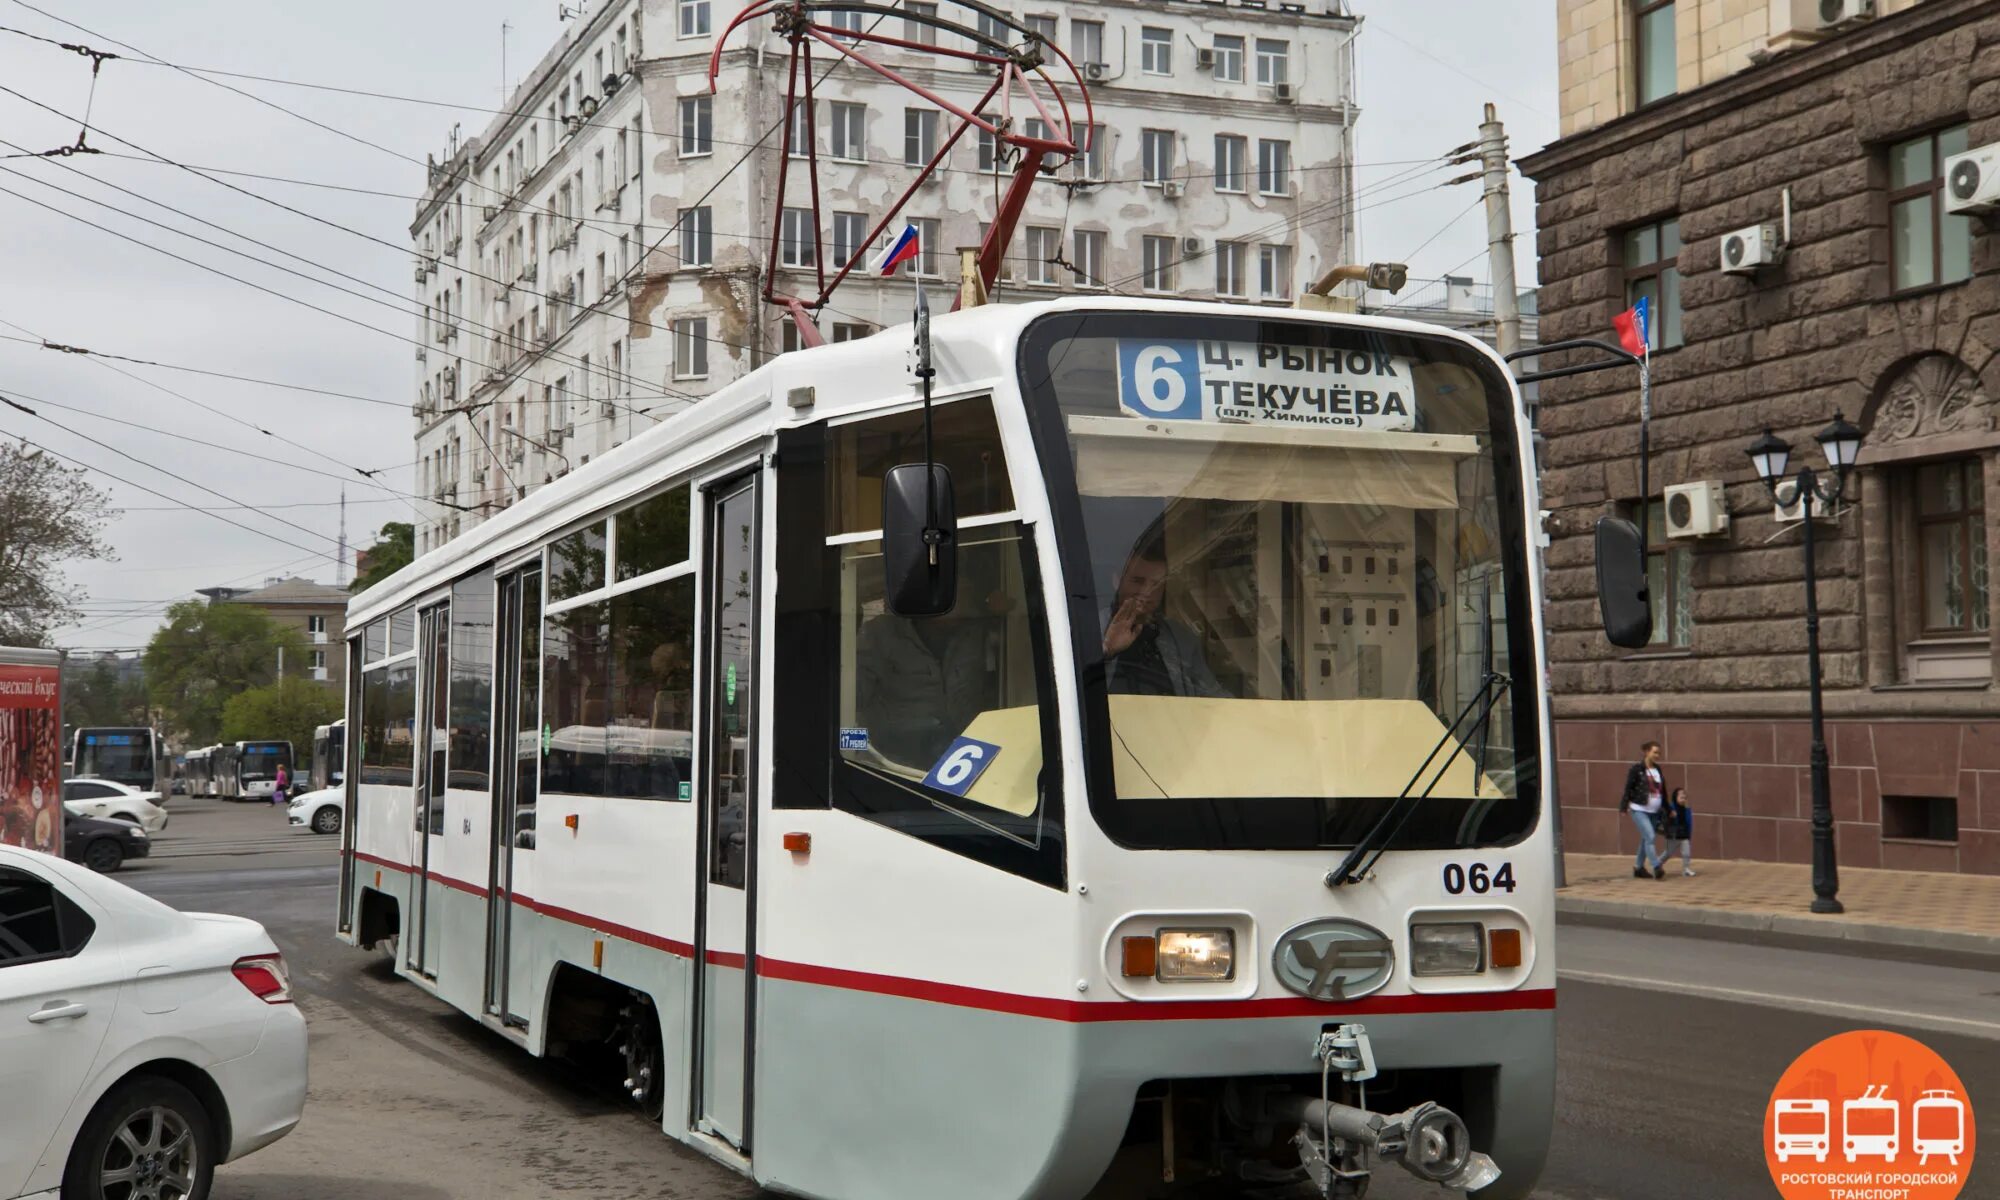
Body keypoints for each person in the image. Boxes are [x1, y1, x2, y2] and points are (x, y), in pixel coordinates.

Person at [1101, 539, 1226, 698]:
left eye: (1156, 584)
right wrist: (1107, 650)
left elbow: (1213, 696)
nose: (1146, 592)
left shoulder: (1181, 639)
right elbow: (1070, 694)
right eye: (1137, 581)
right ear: (1116, 580)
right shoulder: (1085, 629)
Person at [1618, 740, 1668, 880]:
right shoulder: (1637, 769)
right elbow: (1628, 787)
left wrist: (1667, 807)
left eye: (1659, 752)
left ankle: (1638, 868)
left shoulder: (1657, 769)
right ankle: (1657, 866)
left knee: (1646, 839)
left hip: (1654, 810)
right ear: (1646, 752)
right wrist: (1623, 806)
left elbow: (1662, 790)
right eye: (1655, 752)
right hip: (1639, 809)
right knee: (1650, 837)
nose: (1657, 755)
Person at [1659, 785, 1696, 876]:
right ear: (1676, 797)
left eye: (1684, 796)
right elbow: (1664, 818)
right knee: (1668, 853)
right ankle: (1657, 864)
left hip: (1684, 834)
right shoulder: (1671, 808)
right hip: (1673, 835)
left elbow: (1689, 822)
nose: (1683, 798)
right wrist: (1670, 816)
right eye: (1681, 796)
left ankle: (1686, 869)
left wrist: (1689, 834)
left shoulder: (1687, 809)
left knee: (1686, 853)